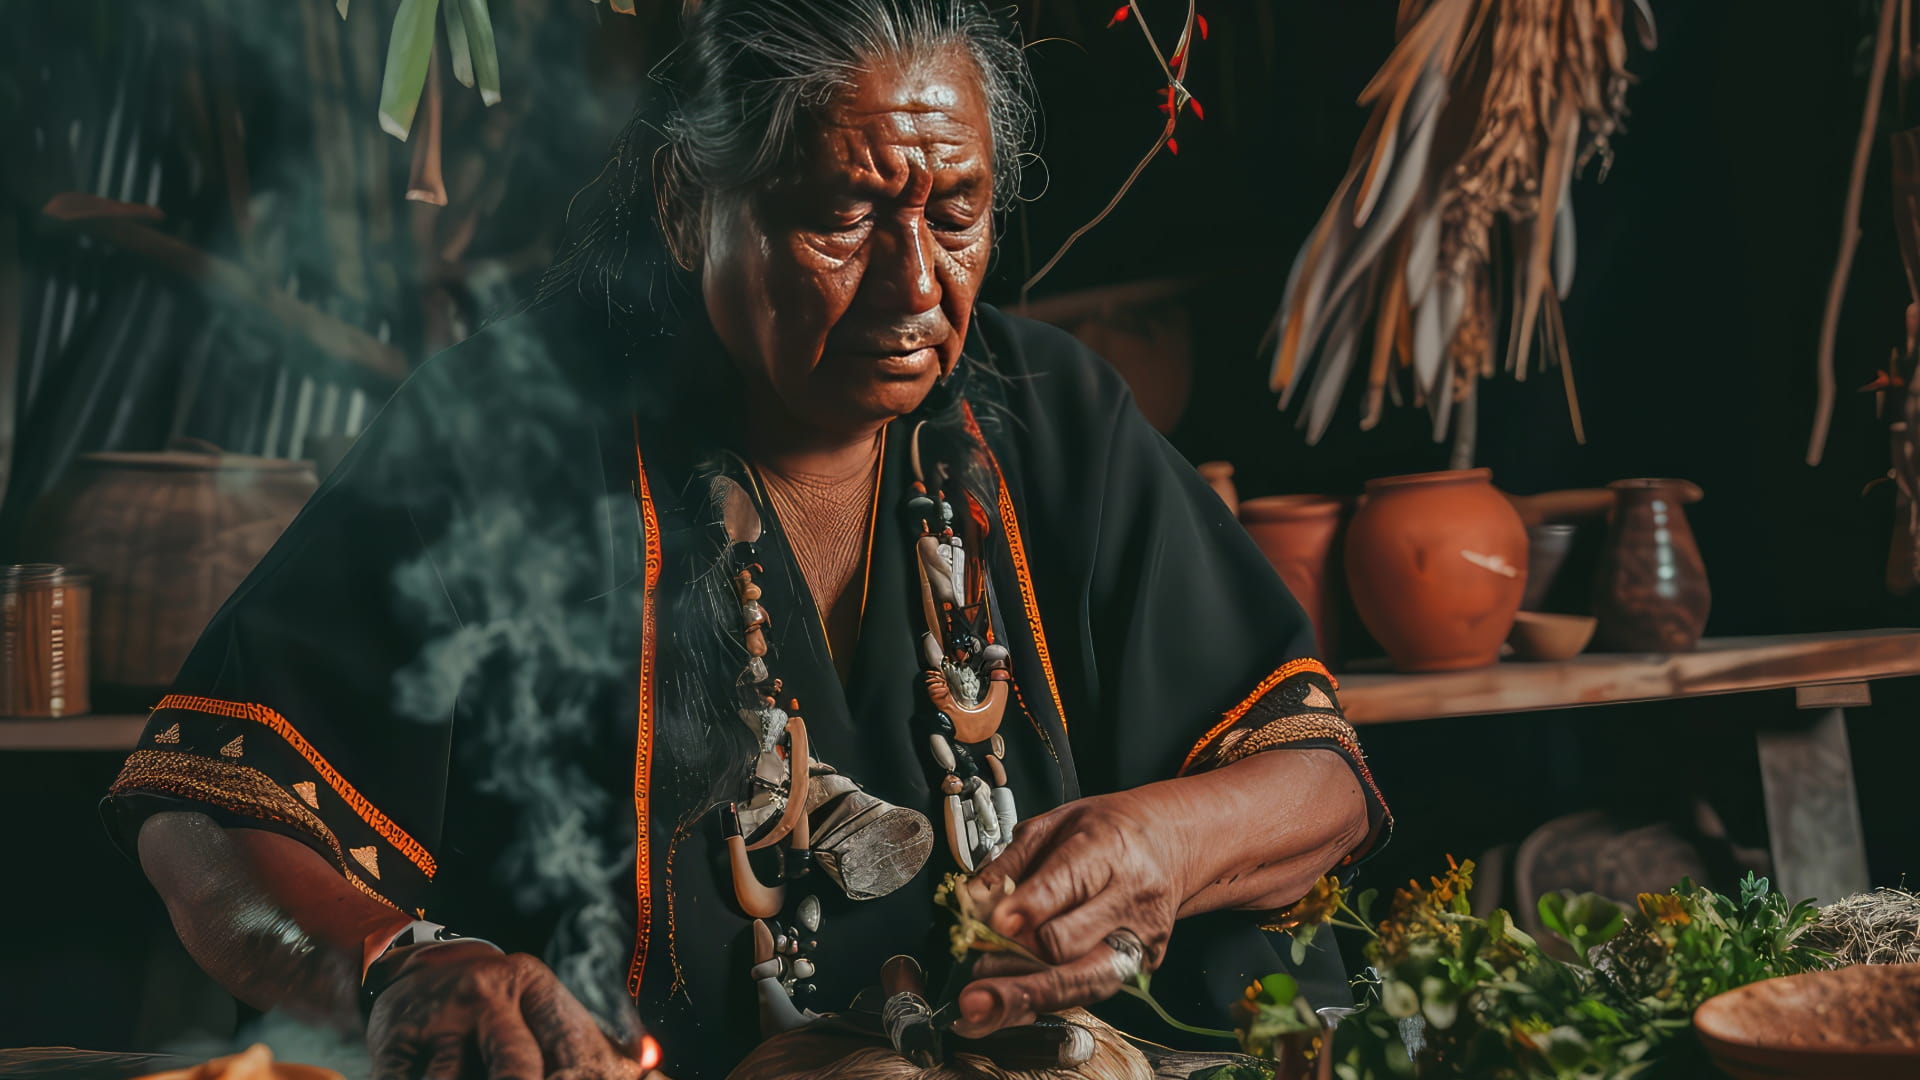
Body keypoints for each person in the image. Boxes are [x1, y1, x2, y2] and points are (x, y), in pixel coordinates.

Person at [103, 3, 1390, 1078]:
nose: (913, 285)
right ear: (690, 201)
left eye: (956, 215)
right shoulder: (511, 433)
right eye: (841, 214)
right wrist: (395, 970)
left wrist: (1163, 848)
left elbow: (1315, 780)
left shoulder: (1045, 419)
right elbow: (212, 808)